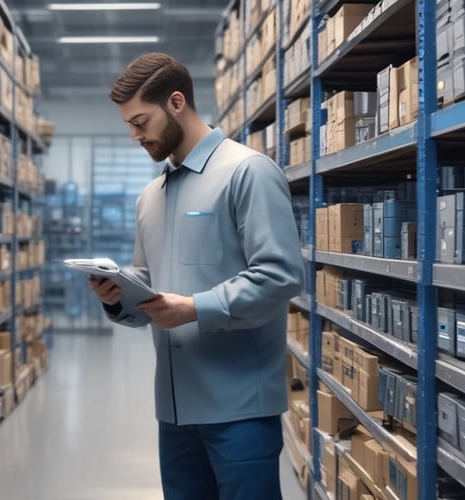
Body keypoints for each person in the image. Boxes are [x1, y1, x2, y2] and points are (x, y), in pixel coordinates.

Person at [88, 52, 305, 500]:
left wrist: (193, 308)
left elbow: (280, 275)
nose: (135, 135)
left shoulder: (247, 171)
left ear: (176, 102)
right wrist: (117, 295)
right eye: (129, 125)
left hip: (240, 409)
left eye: (141, 122)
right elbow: (149, 286)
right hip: (174, 412)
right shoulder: (151, 197)